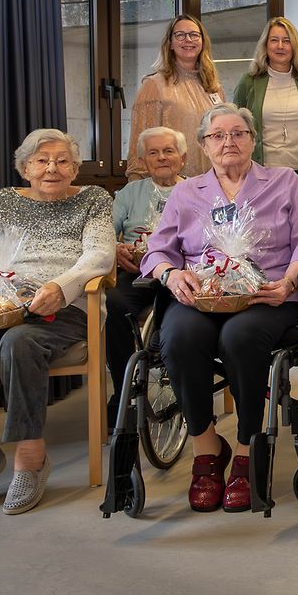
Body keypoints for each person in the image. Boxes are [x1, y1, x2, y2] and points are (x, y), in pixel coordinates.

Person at [140, 103, 298, 512]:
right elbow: (157, 252)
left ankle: (245, 449)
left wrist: (288, 282)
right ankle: (206, 448)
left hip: (266, 294)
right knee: (179, 337)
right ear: (204, 145)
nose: (229, 142)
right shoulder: (186, 192)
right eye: (218, 135)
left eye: (238, 133)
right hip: (202, 295)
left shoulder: (285, 181)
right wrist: (171, 275)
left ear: (253, 140)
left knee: (240, 337)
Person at [0, 129, 114, 514]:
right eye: (41, 161)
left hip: (66, 305)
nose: (52, 168)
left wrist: (61, 286)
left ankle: (31, 455)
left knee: (20, 342)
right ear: (25, 168)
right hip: (1, 305)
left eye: (62, 161)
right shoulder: (1, 203)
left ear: (74, 168)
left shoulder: (93, 200)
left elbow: (99, 256)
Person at [105, 126, 187, 421]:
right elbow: (105, 233)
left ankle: (180, 381)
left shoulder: (196, 189)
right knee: (113, 304)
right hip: (137, 271)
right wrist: (116, 248)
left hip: (182, 272)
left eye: (168, 151)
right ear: (143, 161)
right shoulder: (130, 193)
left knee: (183, 306)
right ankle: (123, 393)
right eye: (153, 152)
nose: (162, 157)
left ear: (182, 157)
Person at [233, 17, 298, 197]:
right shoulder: (249, 81)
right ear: (265, 45)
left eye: (286, 41)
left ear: (294, 46)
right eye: (274, 40)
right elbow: (237, 127)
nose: (280, 46)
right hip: (261, 174)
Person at [126, 14, 224, 180]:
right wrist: (139, 187)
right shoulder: (154, 85)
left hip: (212, 183)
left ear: (202, 42)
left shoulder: (214, 87)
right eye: (180, 35)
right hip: (169, 185)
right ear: (170, 43)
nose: (188, 39)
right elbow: (140, 147)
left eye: (194, 35)